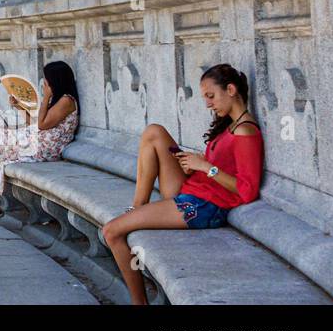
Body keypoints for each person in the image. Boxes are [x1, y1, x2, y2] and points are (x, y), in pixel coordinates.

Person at [100, 64, 263, 305]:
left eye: (211, 96)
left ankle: (139, 303)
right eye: (205, 97)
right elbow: (224, 166)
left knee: (112, 231)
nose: (208, 104)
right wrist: (194, 163)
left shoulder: (246, 131)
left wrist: (206, 168)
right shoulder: (230, 124)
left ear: (230, 89)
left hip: (205, 206)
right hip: (194, 190)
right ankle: (138, 207)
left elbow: (247, 191)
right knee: (153, 132)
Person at [0, 60, 80, 225]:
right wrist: (19, 107)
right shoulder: (58, 99)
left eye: (47, 80)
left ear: (56, 80)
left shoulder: (66, 100)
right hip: (37, 139)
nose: (44, 84)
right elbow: (35, 124)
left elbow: (42, 125)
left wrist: (46, 97)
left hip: (46, 147)